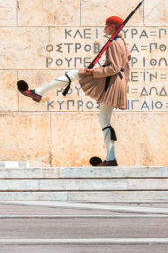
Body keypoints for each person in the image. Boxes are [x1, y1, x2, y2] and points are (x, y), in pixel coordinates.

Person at [18, 16, 131, 166]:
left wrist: (94, 71)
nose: (104, 29)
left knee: (74, 73)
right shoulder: (122, 42)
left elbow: (114, 68)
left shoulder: (115, 44)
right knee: (104, 120)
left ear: (112, 26)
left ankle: (38, 92)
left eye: (106, 26)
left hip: (112, 82)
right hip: (116, 82)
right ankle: (111, 159)